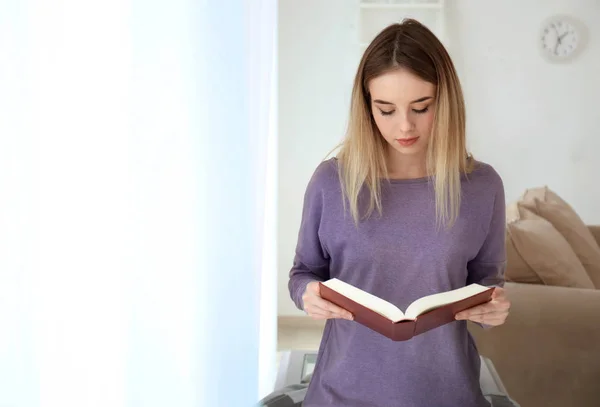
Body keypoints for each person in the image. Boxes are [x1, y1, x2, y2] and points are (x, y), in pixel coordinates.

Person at [287, 19, 511, 407]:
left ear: (446, 101)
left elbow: (487, 284)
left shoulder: (482, 187)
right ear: (366, 105)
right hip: (341, 395)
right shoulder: (331, 182)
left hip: (447, 394)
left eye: (421, 107)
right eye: (385, 109)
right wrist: (306, 293)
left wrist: (493, 309)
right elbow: (303, 272)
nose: (404, 126)